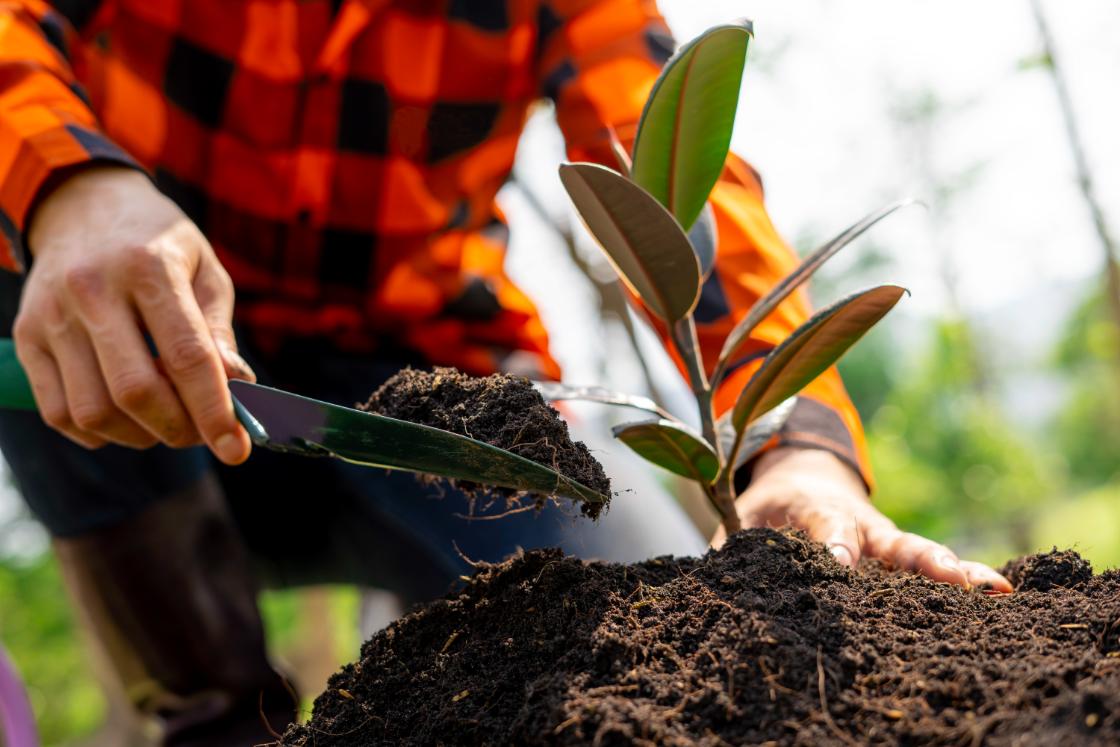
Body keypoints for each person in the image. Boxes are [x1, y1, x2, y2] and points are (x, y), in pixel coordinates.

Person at [0, 0, 1013, 742]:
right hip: (137, 382)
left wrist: (795, 448)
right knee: (35, 276)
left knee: (653, 646)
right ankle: (211, 712)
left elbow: (670, 181)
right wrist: (70, 185)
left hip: (424, 394)